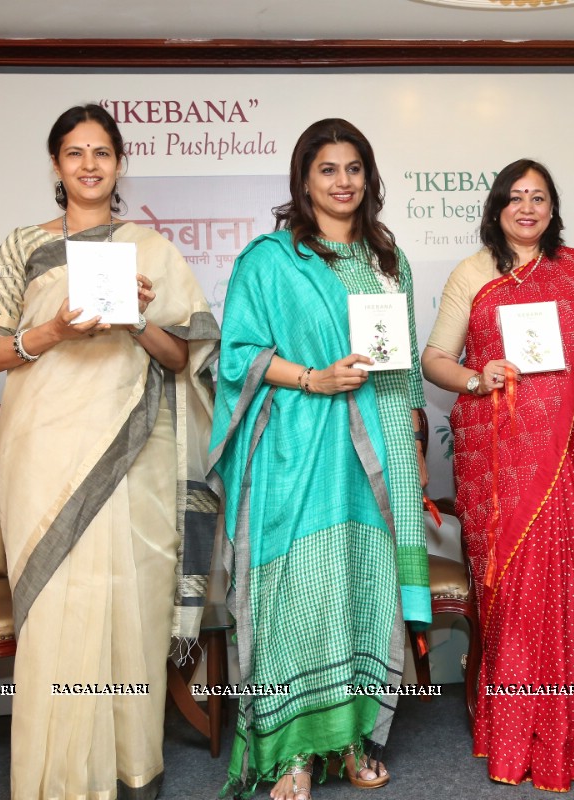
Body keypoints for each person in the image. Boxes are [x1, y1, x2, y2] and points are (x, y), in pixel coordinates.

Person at [0, 104, 219, 798]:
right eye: (75, 153)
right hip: (45, 445)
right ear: (55, 164)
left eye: (102, 153)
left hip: (135, 449)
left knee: (127, 598)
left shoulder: (150, 252)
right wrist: (54, 328)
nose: (89, 165)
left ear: (118, 164)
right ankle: (53, 777)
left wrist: (135, 318)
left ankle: (126, 764)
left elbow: (182, 360)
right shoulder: (21, 247)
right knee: (59, 604)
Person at [209, 118, 430, 800]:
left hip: (381, 439)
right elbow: (237, 355)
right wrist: (313, 378)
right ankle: (294, 754)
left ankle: (354, 738)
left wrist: (416, 449)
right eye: (328, 169)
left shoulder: (389, 263)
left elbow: (409, 368)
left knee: (364, 586)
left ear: (369, 178)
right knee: (299, 593)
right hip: (298, 451)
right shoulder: (269, 261)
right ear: (304, 180)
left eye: (354, 168)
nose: (342, 182)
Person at [421, 159, 574, 791]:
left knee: (565, 585)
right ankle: (512, 725)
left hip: (569, 454)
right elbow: (434, 359)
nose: (527, 208)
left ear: (553, 207)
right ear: (497, 207)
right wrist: (481, 377)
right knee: (514, 590)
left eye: (539, 197)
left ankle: (568, 725)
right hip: (501, 460)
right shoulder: (473, 273)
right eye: (516, 197)